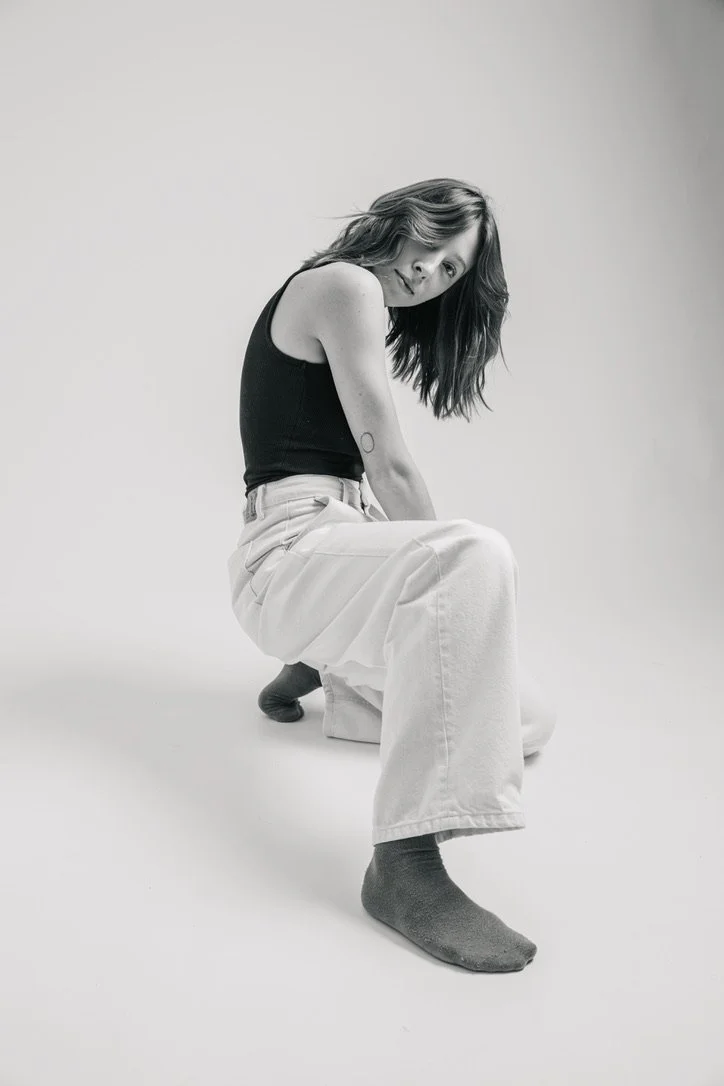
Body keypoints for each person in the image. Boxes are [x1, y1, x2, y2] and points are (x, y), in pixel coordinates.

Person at [227, 177, 556, 972]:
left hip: (345, 552)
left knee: (525, 722)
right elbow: (388, 460)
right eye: (435, 242)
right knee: (473, 552)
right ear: (403, 217)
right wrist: (451, 566)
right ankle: (404, 863)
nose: (431, 271)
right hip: (290, 553)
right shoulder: (344, 287)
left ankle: (322, 667)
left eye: (452, 270)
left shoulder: (354, 300)